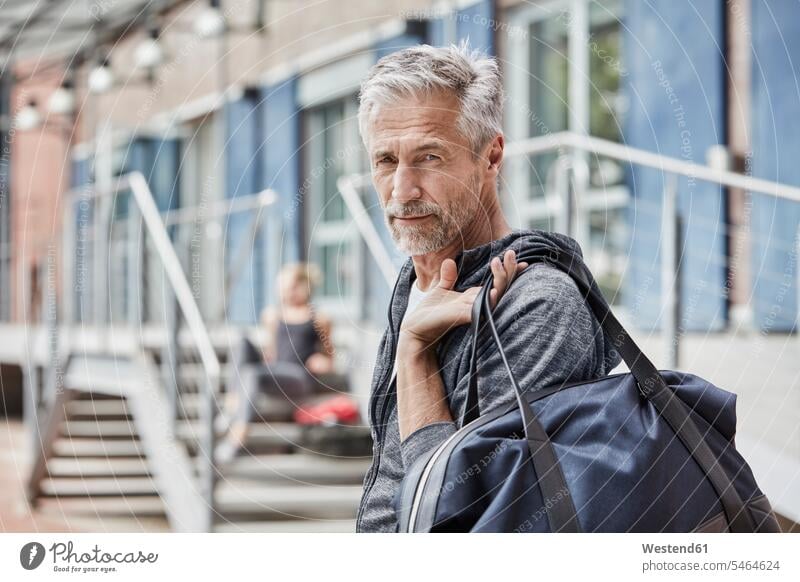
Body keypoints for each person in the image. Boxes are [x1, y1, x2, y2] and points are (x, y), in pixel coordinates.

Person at [354, 41, 623, 532]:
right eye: (386, 160)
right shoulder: (415, 285)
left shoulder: (539, 304)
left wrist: (416, 353)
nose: (402, 190)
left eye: (429, 157)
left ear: (491, 155)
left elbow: (463, 517)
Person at [216, 262, 335, 463]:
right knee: (242, 343)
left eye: (287, 288)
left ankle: (238, 436)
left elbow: (330, 358)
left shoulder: (319, 318)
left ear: (302, 287)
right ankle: (232, 403)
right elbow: (272, 351)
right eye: (280, 289)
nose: (283, 293)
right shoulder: (272, 316)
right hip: (277, 370)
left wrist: (322, 361)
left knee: (252, 373)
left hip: (299, 377)